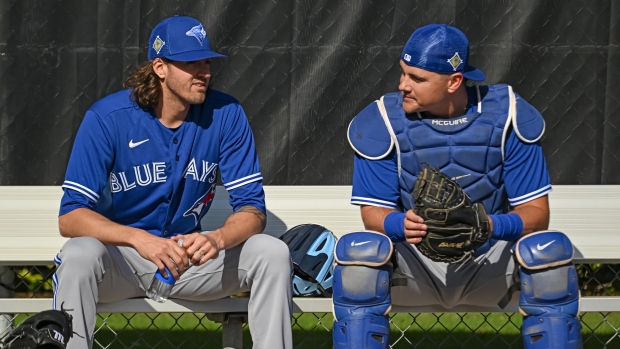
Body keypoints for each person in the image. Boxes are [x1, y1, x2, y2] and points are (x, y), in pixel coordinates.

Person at [333, 24, 582, 348]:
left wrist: (489, 225)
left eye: (417, 79)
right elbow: (374, 214)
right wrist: (401, 224)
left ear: (454, 81)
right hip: (417, 265)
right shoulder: (380, 120)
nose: (403, 85)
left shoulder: (508, 115)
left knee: (549, 251)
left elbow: (536, 214)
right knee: (360, 255)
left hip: (488, 263)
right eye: (403, 73)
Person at [53, 15, 293, 349]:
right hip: (124, 260)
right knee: (78, 254)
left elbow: (253, 210)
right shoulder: (108, 118)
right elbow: (71, 216)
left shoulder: (226, 113)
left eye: (206, 61)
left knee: (272, 252)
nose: (204, 72)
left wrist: (217, 238)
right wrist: (140, 240)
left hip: (191, 263)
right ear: (160, 67)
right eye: (190, 62)